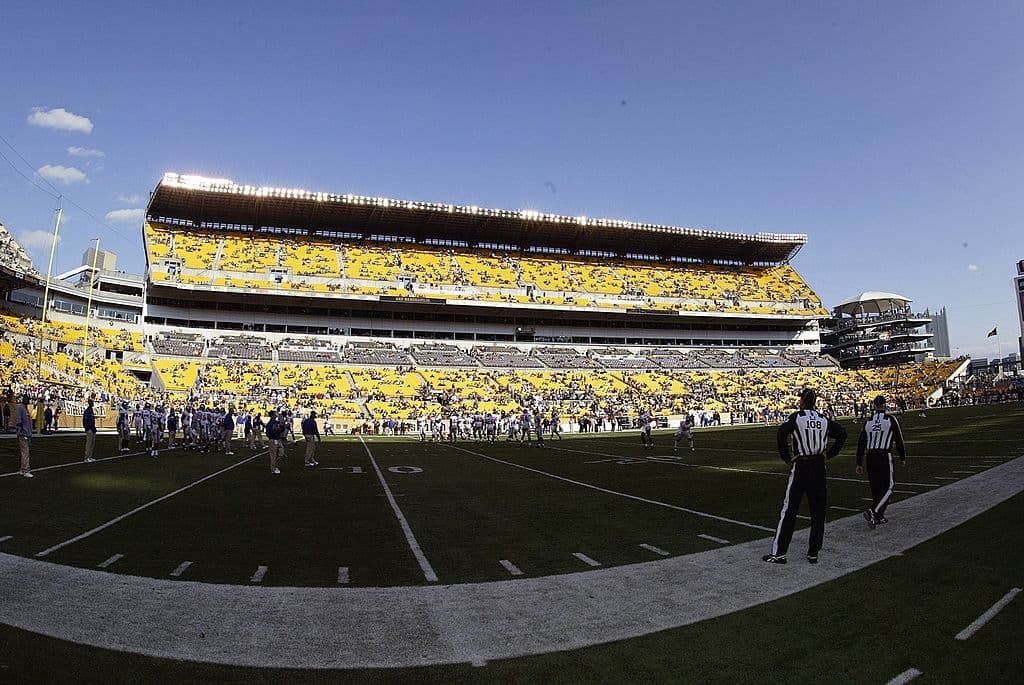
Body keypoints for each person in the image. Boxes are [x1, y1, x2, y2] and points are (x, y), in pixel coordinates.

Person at [763, 388, 847, 565]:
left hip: (802, 465)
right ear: (814, 402)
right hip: (818, 466)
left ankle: (779, 553)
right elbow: (842, 434)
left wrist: (787, 458)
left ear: (802, 401)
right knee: (818, 510)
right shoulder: (823, 419)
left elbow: (781, 434)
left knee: (790, 509)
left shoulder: (797, 417)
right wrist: (829, 454)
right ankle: (813, 552)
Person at [856, 395, 908, 529]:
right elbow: (899, 440)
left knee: (876, 487)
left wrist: (859, 462)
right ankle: (874, 511)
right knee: (889, 487)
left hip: (870, 457)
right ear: (884, 405)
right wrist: (902, 457)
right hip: (884, 455)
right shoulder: (890, 419)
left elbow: (861, 443)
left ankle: (878, 517)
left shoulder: (868, 421)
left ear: (873, 405)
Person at [15, 395, 33, 477]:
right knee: (25, 453)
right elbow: (19, 421)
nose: (28, 401)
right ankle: (26, 470)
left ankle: (22, 469)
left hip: (27, 434)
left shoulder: (25, 408)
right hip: (23, 434)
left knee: (24, 453)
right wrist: (20, 432)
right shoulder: (20, 408)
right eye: (27, 399)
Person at [265, 410, 286, 475]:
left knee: (282, 453)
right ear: (271, 415)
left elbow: (282, 429)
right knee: (273, 455)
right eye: (274, 414)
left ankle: (275, 465)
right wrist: (274, 431)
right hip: (273, 440)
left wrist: (283, 426)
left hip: (278, 439)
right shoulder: (269, 424)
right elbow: (268, 433)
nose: (276, 415)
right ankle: (273, 469)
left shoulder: (277, 422)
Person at [82, 398, 97, 463]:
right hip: (89, 429)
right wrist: (87, 428)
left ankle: (90, 457)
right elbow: (85, 420)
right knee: (88, 444)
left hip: (93, 428)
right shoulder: (87, 411)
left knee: (92, 443)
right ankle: (86, 457)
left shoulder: (91, 410)